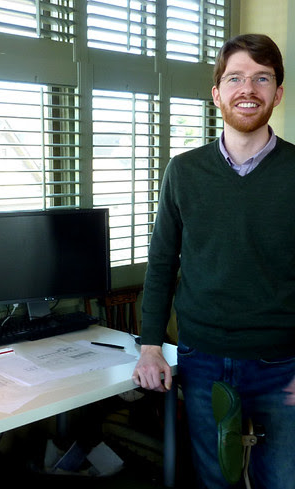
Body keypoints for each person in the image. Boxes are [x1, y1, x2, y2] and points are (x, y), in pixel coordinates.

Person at [131, 33, 295, 489]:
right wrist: (150, 346)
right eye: (235, 78)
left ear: (278, 93)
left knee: (282, 480)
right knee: (214, 480)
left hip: (282, 363)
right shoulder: (183, 171)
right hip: (201, 357)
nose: (248, 89)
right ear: (217, 94)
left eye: (262, 78)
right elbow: (161, 262)